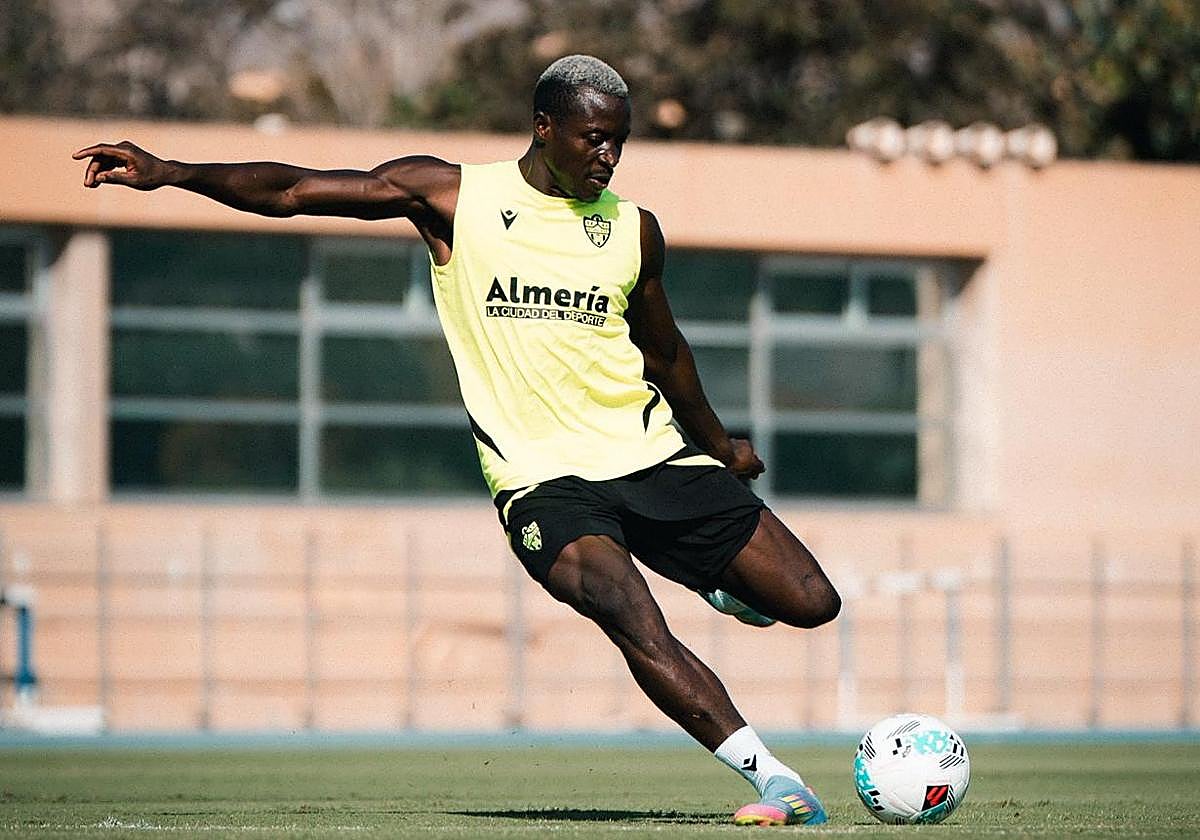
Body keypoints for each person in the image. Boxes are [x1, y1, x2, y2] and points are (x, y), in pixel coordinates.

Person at [74, 54, 841, 827]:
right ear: (544, 127)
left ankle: (712, 580)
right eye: (594, 138)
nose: (609, 155)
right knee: (630, 613)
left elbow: (666, 353)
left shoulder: (632, 229)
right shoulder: (452, 196)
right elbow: (293, 190)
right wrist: (171, 172)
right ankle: (778, 782)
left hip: (649, 456)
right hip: (544, 482)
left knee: (811, 602)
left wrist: (720, 447)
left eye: (620, 141)